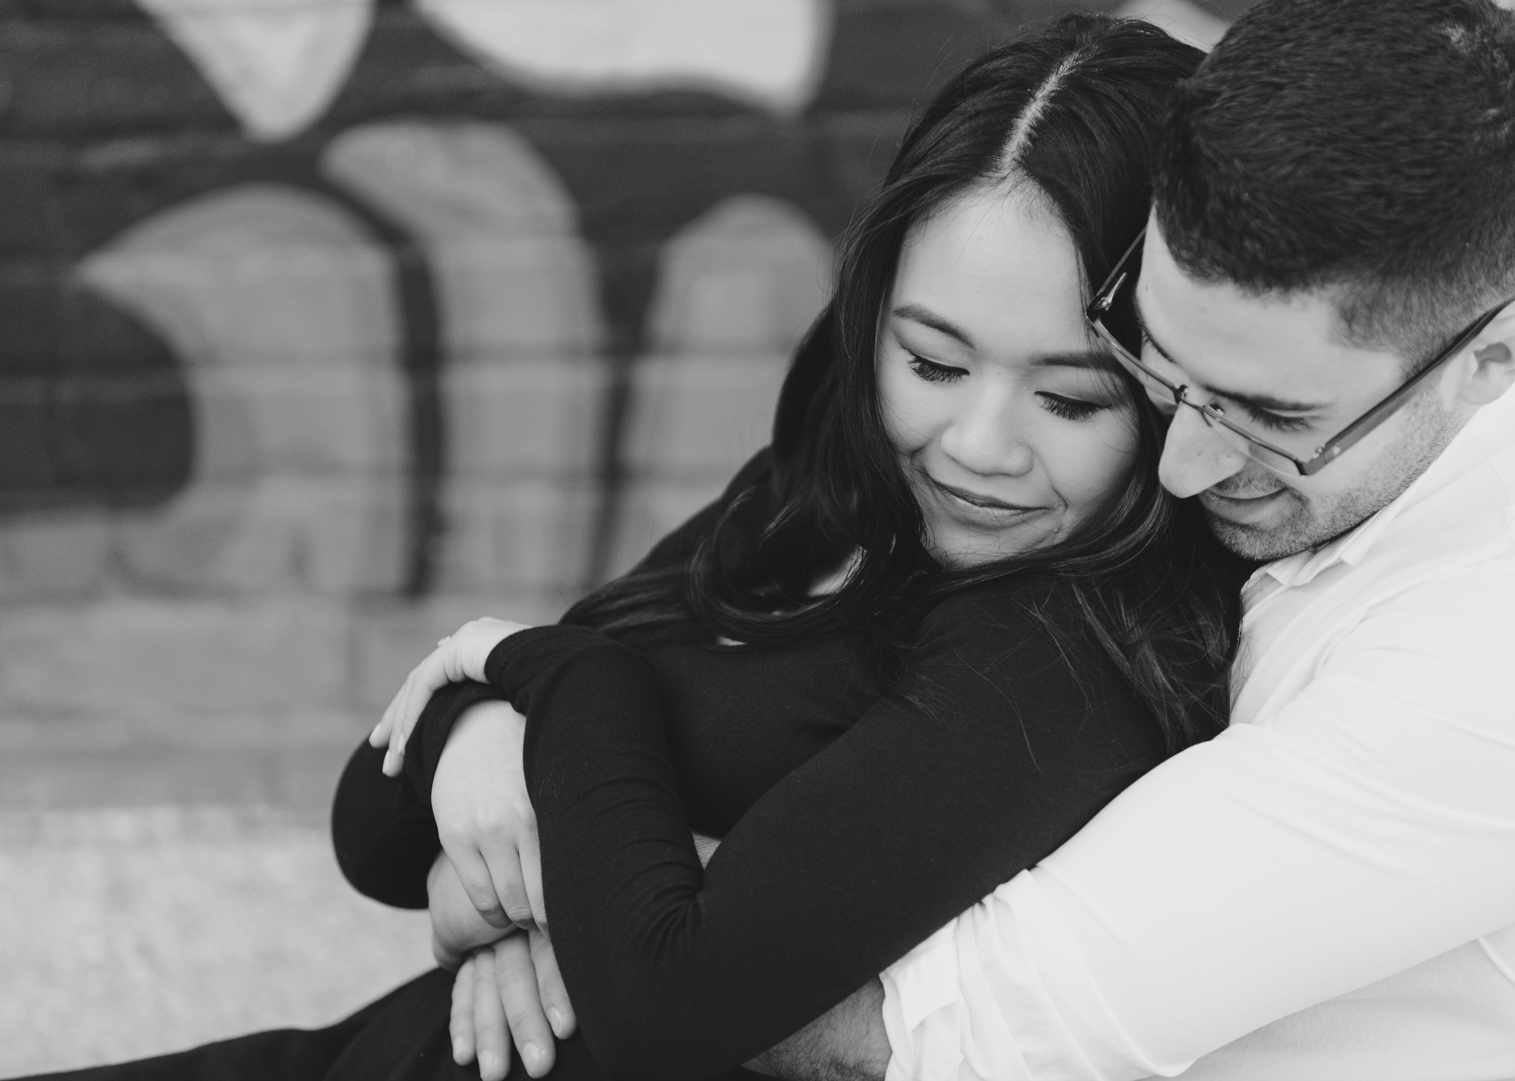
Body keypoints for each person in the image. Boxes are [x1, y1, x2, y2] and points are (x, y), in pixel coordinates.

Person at [24, 16, 1245, 1081]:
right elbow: (378, 829)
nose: (977, 443)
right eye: (932, 360)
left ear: (1173, 387)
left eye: (1071, 399)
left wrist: (544, 684)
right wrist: (493, 746)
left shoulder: (1054, 664)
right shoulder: (832, 503)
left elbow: (666, 1000)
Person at [790, 1, 1515, 1078]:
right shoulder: (1317, 416)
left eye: (1271, 422)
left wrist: (540, 896)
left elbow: (953, 1029)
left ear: (1488, 364)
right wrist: (503, 703)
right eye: (1153, 359)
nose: (1182, 466)